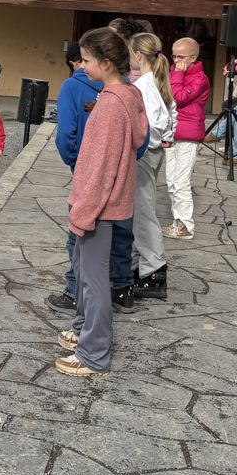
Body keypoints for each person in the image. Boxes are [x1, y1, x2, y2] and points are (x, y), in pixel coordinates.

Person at [54, 29, 147, 380]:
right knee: (84, 271)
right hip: (109, 203)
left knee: (93, 280)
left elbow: (100, 167)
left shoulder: (110, 105)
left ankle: (93, 353)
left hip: (99, 206)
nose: (82, 65)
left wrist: (84, 212)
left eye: (88, 60)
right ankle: (83, 329)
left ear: (106, 63)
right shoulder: (127, 94)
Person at [45, 51, 103, 314]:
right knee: (112, 234)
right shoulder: (127, 88)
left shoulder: (73, 85)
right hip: (114, 173)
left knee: (78, 230)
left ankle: (74, 291)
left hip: (86, 167)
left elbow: (65, 133)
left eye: (85, 61)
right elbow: (142, 138)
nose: (82, 67)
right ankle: (117, 288)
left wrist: (74, 161)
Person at [127, 33, 175, 302]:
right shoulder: (157, 81)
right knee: (139, 210)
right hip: (153, 152)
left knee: (144, 212)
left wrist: (147, 144)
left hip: (145, 154)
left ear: (137, 55)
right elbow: (170, 116)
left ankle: (154, 271)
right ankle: (139, 266)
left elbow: (155, 124)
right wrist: (165, 138)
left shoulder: (144, 85)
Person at [163, 37, 209, 241]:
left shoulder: (200, 78)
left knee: (181, 181)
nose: (176, 60)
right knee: (171, 181)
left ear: (193, 57)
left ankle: (185, 225)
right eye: (173, 55)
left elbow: (177, 97)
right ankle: (177, 222)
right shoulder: (175, 72)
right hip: (172, 131)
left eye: (181, 56)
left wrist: (178, 75)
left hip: (188, 134)